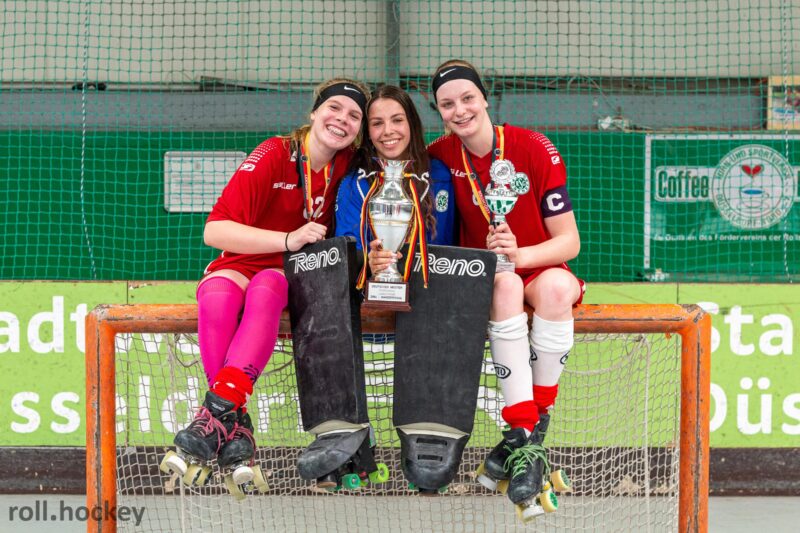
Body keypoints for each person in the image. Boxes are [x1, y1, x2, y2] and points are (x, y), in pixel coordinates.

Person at [161, 78, 370, 492]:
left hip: (289, 273)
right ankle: (233, 422)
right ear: (314, 112)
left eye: (354, 115)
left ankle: (215, 418)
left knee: (266, 288)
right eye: (334, 108)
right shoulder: (277, 152)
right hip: (242, 260)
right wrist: (287, 239)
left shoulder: (351, 166)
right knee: (218, 296)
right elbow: (214, 231)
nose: (342, 120)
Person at [425, 60, 583, 519]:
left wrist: (519, 253)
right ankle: (526, 436)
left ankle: (525, 435)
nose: (459, 111)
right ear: (439, 111)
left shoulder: (533, 147)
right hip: (489, 276)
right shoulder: (438, 156)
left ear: (485, 99)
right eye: (447, 104)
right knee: (505, 283)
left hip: (536, 263)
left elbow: (569, 242)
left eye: (467, 98)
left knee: (558, 289)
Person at [335, 84, 456, 257]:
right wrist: (370, 261)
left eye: (397, 120)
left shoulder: (438, 174)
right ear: (368, 131)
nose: (388, 131)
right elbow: (348, 252)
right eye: (377, 123)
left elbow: (447, 243)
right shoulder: (355, 182)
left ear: (411, 123)